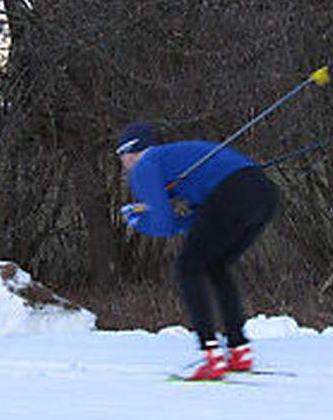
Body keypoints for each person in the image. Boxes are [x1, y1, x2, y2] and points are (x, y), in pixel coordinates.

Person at [116, 121, 280, 380]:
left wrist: (140, 221)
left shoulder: (144, 166)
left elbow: (165, 225)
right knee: (215, 266)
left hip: (231, 194)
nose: (122, 163)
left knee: (187, 268)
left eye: (120, 156)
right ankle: (239, 349)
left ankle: (211, 353)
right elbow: (197, 218)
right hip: (264, 193)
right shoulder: (173, 159)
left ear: (129, 151)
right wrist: (167, 217)